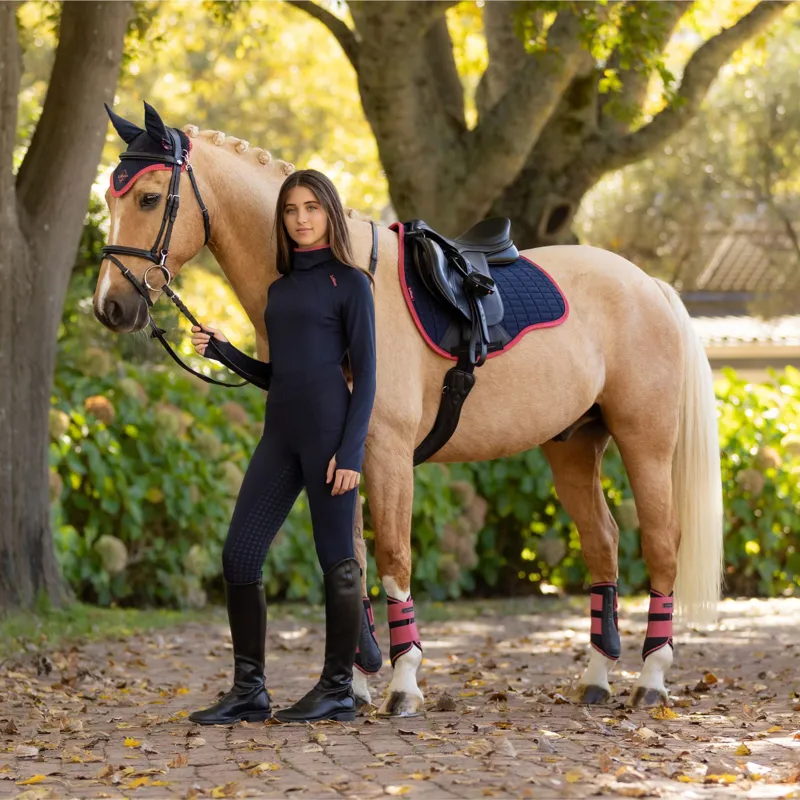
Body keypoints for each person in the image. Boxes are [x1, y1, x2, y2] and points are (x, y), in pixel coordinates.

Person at [187, 169, 376, 725]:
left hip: (329, 437)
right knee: (239, 555)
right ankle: (250, 691)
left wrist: (352, 452)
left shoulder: (352, 283)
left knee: (337, 560)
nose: (300, 218)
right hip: (281, 433)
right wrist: (223, 352)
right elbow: (282, 376)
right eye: (291, 209)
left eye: (312, 208)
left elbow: (364, 377)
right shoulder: (281, 289)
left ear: (330, 214)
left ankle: (338, 689)